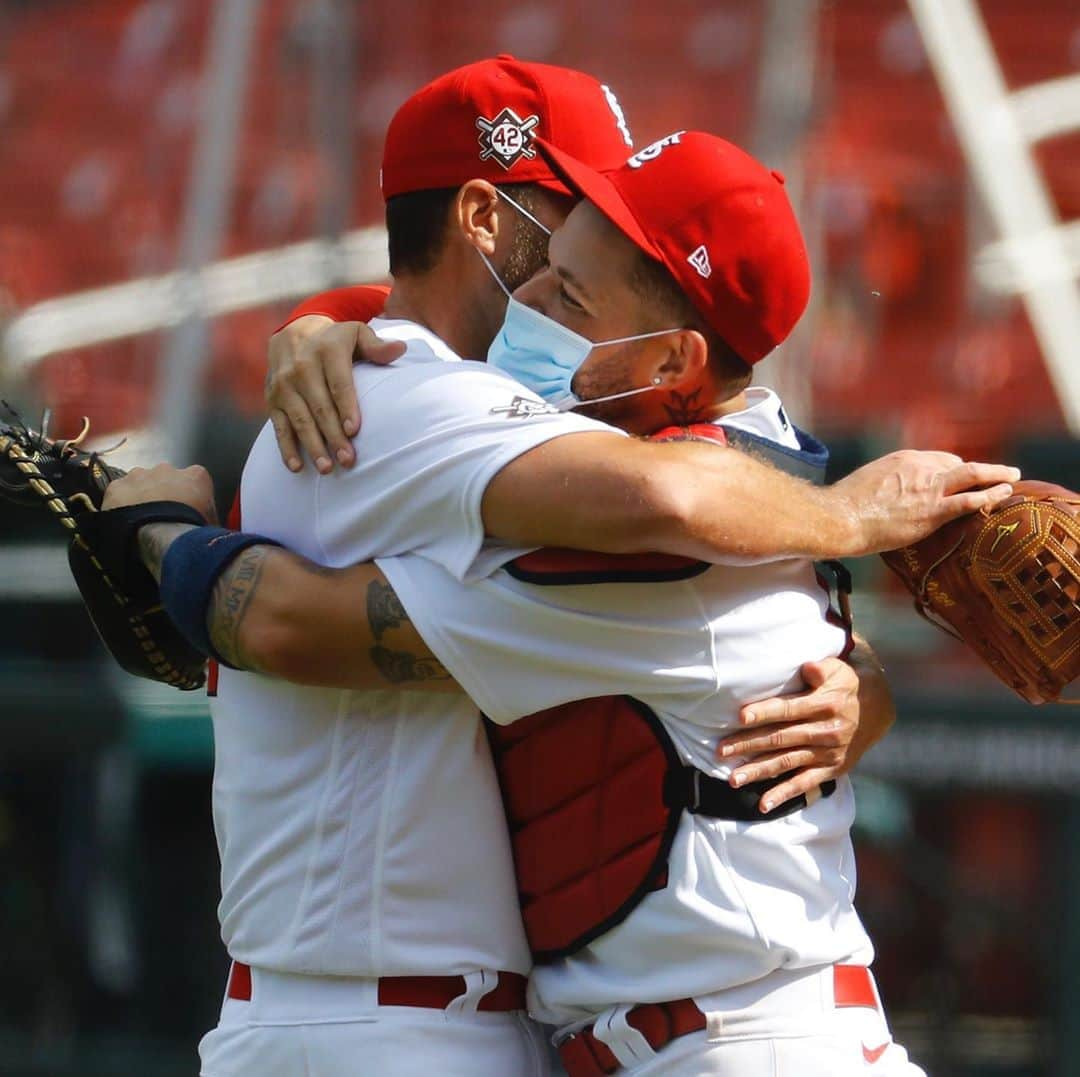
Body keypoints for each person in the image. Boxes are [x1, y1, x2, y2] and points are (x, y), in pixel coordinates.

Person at [107, 60, 1017, 1077]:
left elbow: (276, 619)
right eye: (563, 227)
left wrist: (160, 536)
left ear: (673, 360)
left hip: (714, 1041)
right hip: (435, 1029)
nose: (542, 290)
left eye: (573, 282)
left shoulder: (661, 523)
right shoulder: (717, 468)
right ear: (482, 218)